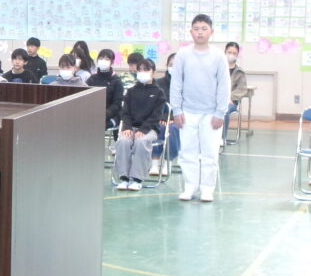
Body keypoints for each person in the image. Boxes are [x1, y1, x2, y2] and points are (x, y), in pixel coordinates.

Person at [170, 14, 231, 202]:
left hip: (211, 113)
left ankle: (207, 189)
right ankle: (190, 187)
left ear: (211, 32)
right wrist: (177, 110)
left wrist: (220, 112)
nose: (200, 32)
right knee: (187, 152)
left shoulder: (219, 56)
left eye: (204, 29)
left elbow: (224, 85)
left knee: (209, 153)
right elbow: (176, 83)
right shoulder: (183, 54)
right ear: (191, 32)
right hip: (187, 111)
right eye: (196, 29)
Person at [115, 59, 166, 191]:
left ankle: (137, 179)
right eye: (140, 70)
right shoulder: (131, 91)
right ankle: (124, 178)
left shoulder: (159, 93)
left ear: (153, 72)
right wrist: (127, 127)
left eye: (146, 69)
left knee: (141, 142)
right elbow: (125, 112)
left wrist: (143, 130)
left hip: (149, 129)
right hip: (131, 127)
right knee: (123, 141)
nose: (143, 72)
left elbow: (156, 116)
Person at [87, 48, 124, 130]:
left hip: (109, 115)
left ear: (112, 62)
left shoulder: (116, 81)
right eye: (101, 58)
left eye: (107, 59)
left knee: (97, 126)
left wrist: (105, 114)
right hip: (92, 113)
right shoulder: (91, 79)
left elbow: (117, 104)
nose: (103, 61)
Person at [222, 42, 248, 141]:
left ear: (237, 55)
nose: (231, 55)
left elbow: (242, 89)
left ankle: (222, 138)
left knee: (224, 110)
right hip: (215, 100)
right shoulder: (217, 68)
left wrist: (229, 98)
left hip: (231, 102)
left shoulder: (240, 72)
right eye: (229, 52)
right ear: (225, 52)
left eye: (234, 53)